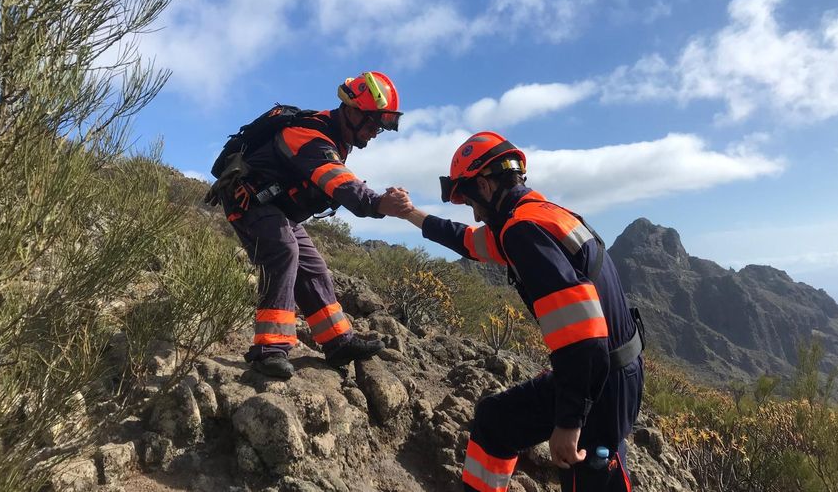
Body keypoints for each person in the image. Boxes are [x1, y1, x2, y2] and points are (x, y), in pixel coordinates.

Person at [394, 131, 644, 491]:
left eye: (470, 201)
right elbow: (467, 241)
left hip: (598, 377)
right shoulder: (539, 215)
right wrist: (411, 214)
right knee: (496, 420)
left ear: (484, 185)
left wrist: (570, 421)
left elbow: (584, 337)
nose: (475, 214)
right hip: (608, 368)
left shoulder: (523, 231)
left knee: (588, 480)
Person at [208, 71, 412, 379]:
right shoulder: (310, 134)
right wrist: (377, 202)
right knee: (283, 250)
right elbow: (338, 182)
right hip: (248, 201)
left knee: (313, 266)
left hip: (275, 207)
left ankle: (338, 341)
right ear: (352, 111)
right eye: (371, 123)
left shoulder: (335, 139)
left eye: (379, 128)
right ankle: (269, 349)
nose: (374, 133)